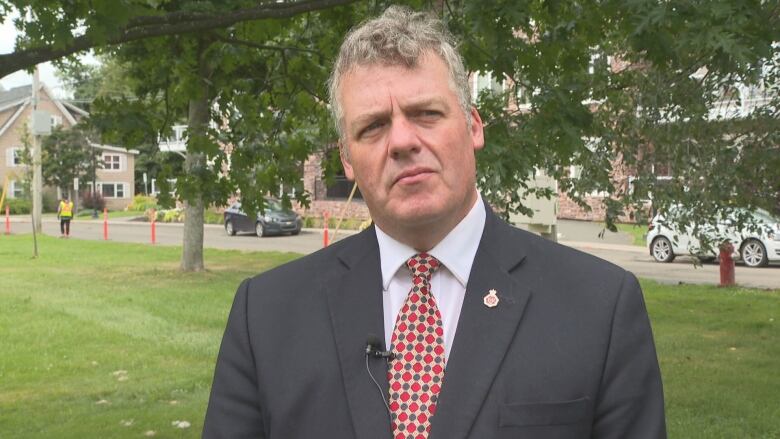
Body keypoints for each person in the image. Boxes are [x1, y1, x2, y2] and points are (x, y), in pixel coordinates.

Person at [203, 6, 666, 439]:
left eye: (426, 114)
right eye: (373, 126)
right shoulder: (265, 316)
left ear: (473, 126)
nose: (403, 140)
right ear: (346, 158)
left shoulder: (599, 307)